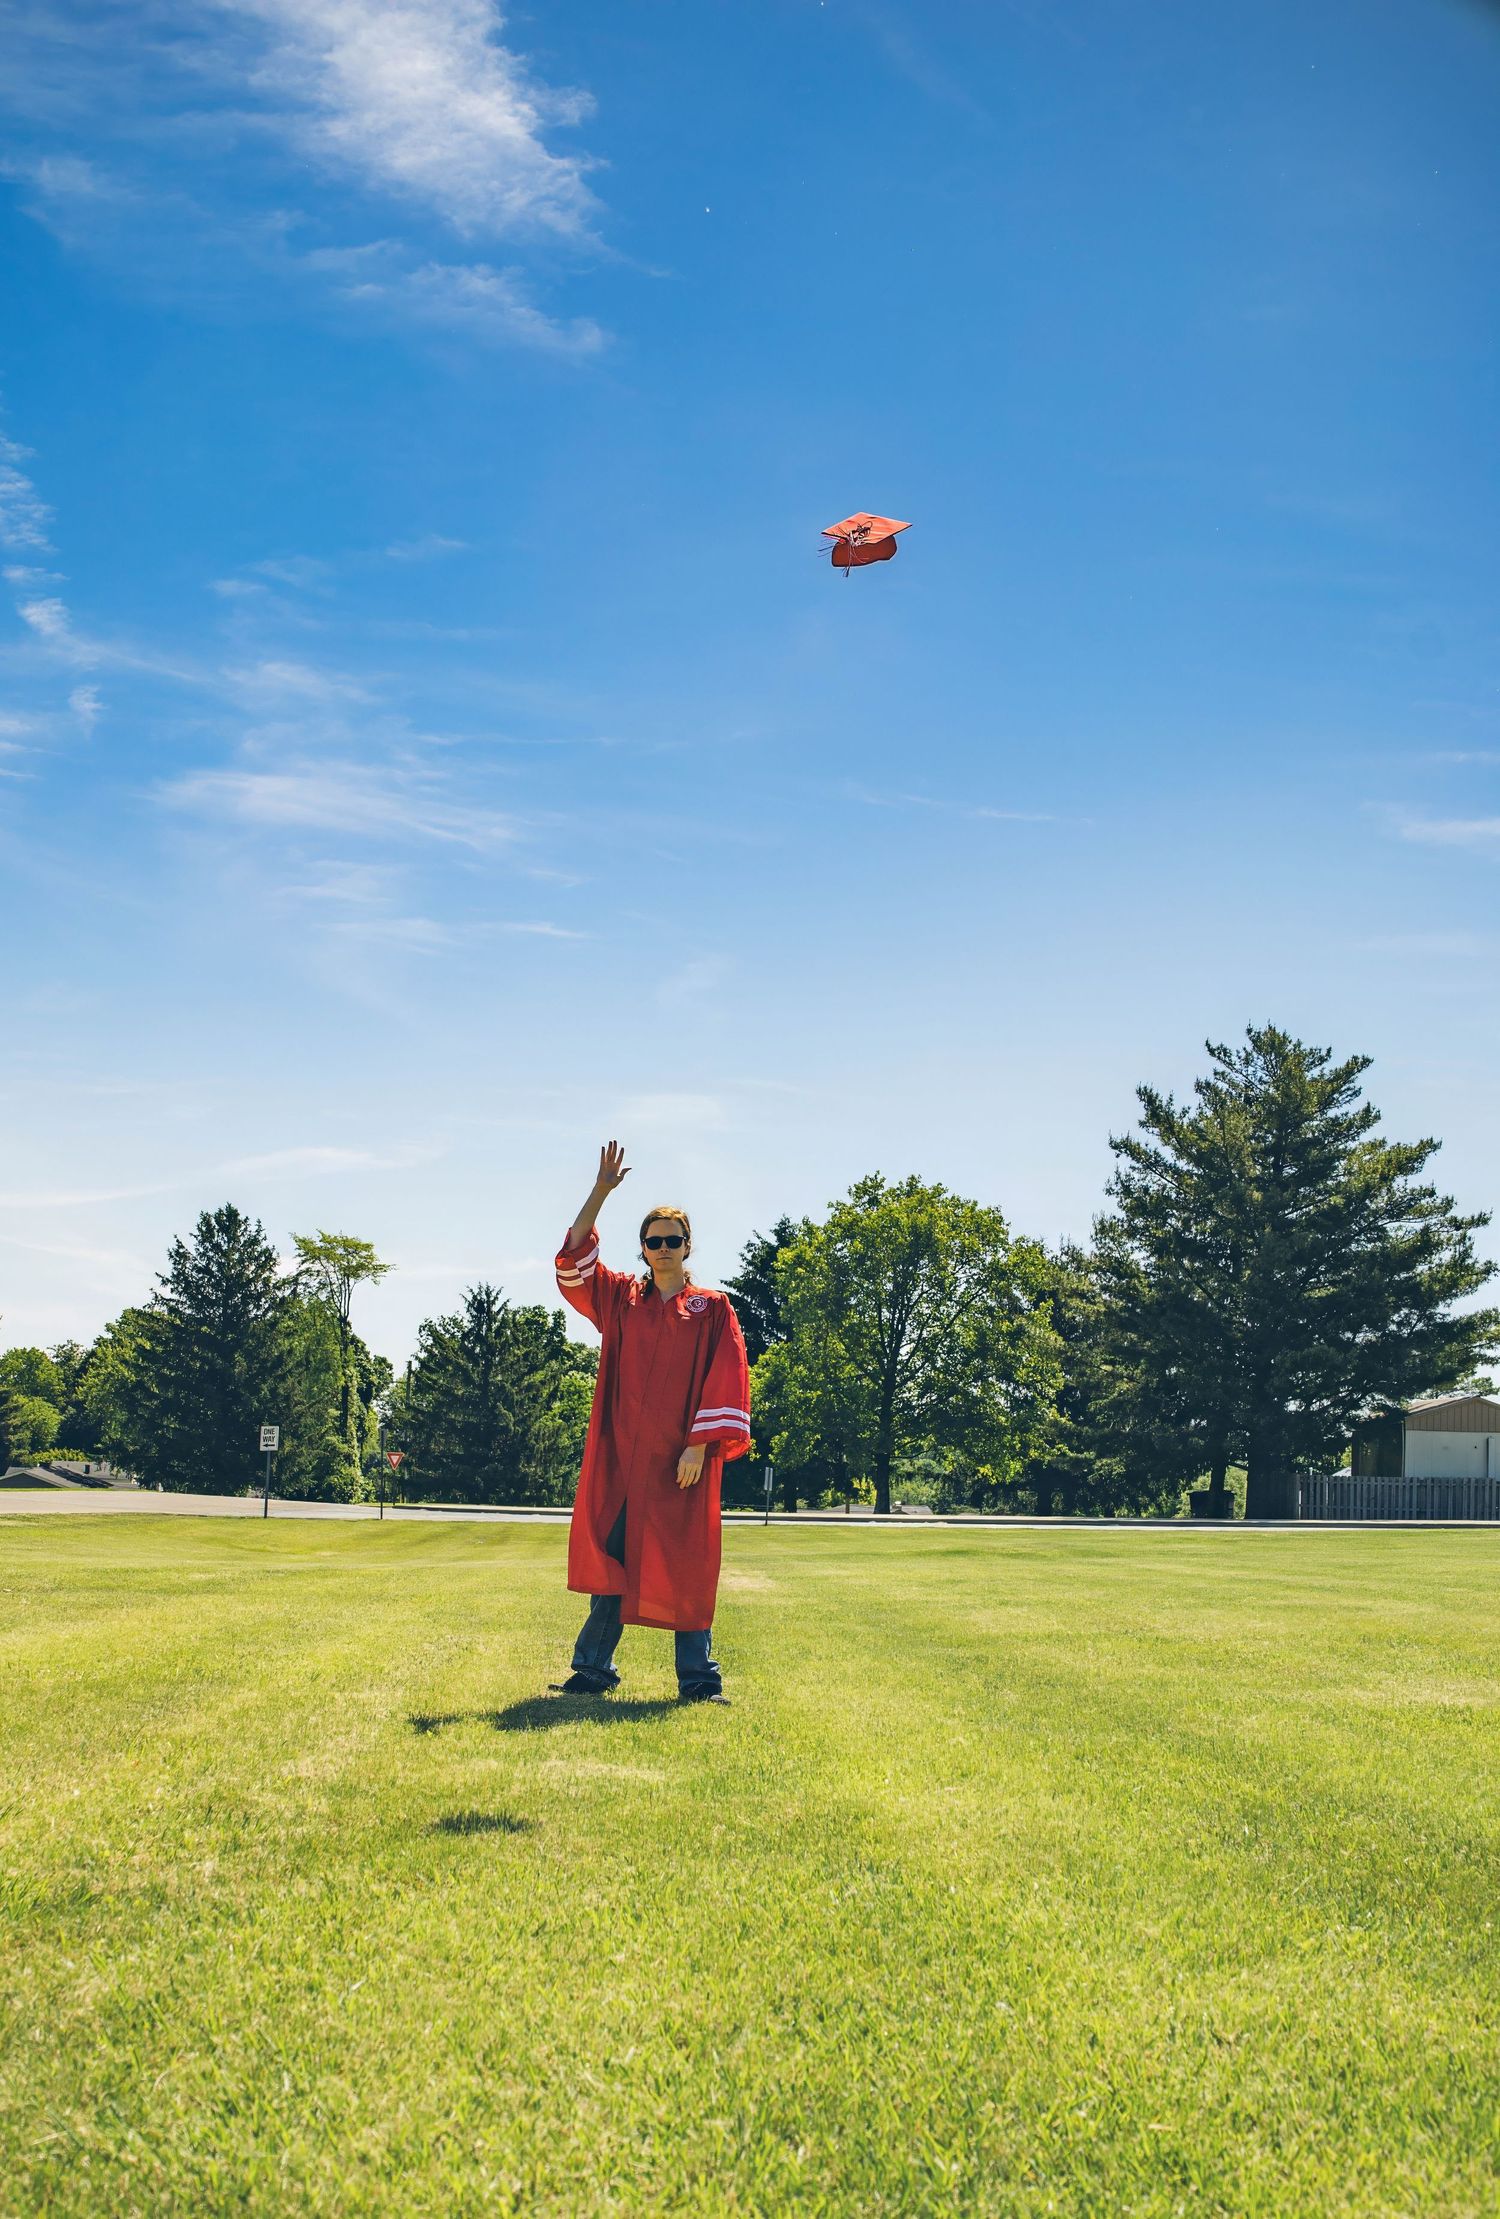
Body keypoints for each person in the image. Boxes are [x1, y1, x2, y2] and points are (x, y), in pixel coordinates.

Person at [551, 1140, 751, 1703]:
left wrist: (698, 1447)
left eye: (673, 1240)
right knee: (612, 1561)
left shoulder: (712, 1309)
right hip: (621, 1461)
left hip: (678, 1463)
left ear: (689, 1246)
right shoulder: (621, 1300)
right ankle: (592, 1670)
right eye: (654, 1240)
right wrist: (601, 1191)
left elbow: (727, 1376)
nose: (664, 1248)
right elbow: (572, 1258)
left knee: (686, 1563)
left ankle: (698, 1681)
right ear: (642, 1248)